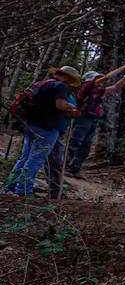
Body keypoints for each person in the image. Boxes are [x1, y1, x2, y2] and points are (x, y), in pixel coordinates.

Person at [4, 67, 81, 197]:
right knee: (36, 158)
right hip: (47, 127)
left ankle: (9, 187)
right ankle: (23, 189)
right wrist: (71, 107)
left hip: (31, 124)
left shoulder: (44, 83)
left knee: (25, 157)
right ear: (68, 77)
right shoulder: (61, 86)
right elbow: (60, 105)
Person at [65, 65, 125, 179]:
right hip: (83, 117)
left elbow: (116, 87)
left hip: (93, 119)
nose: (100, 80)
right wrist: (122, 68)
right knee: (75, 142)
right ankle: (65, 166)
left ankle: (75, 169)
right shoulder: (87, 87)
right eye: (97, 78)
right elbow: (107, 77)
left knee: (86, 146)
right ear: (91, 80)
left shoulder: (98, 91)